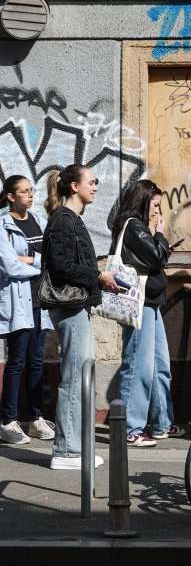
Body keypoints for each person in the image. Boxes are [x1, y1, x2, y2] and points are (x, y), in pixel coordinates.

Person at [42, 165, 121, 470]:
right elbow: (61, 267)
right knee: (75, 379)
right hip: (70, 308)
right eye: (92, 181)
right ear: (74, 186)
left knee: (80, 376)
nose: (96, 186)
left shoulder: (71, 220)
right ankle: (66, 451)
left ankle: (75, 448)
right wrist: (98, 276)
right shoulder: (63, 221)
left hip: (78, 306)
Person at [111, 180, 184, 447]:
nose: (156, 211)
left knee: (160, 366)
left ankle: (161, 423)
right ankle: (131, 428)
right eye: (154, 205)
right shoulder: (133, 225)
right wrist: (161, 235)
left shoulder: (138, 227)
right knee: (139, 366)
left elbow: (152, 258)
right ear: (142, 202)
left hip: (152, 302)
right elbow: (155, 257)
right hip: (139, 303)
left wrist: (158, 241)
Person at [0, 175, 55, 444]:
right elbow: (10, 266)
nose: (30, 195)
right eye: (24, 192)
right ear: (11, 196)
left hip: (39, 301)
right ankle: (9, 421)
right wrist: (38, 263)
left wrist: (30, 259)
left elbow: (52, 258)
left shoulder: (39, 222)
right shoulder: (3, 225)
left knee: (36, 363)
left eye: (31, 190)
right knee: (17, 362)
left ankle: (35, 419)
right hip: (17, 302)